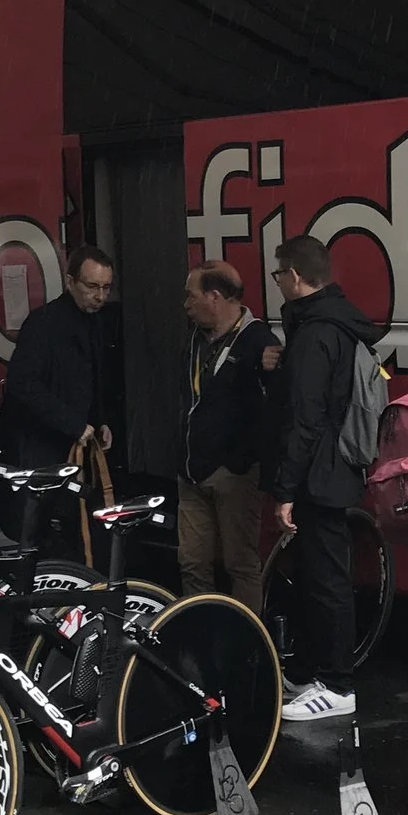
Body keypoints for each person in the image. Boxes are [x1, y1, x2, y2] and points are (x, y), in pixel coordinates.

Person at [266, 234, 386, 723]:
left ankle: (336, 684)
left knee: (328, 579)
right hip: (339, 466)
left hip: (320, 472)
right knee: (325, 575)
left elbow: (306, 417)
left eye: (278, 275)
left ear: (295, 276)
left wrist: (284, 488)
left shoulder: (315, 332)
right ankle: (324, 673)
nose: (276, 283)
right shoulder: (338, 322)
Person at [177, 261, 274, 613]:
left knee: (240, 563)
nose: (186, 304)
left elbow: (270, 412)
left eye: (191, 296)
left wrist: (241, 461)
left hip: (233, 473)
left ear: (214, 297)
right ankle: (200, 639)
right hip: (190, 469)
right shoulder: (193, 337)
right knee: (192, 562)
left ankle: (248, 646)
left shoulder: (260, 342)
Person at [0, 246, 120, 469]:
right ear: (70, 282)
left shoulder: (95, 321)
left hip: (72, 439)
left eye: (106, 287)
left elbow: (92, 380)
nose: (100, 296)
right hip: (37, 447)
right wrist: (74, 424)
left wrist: (99, 420)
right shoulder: (43, 323)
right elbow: (22, 383)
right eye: (92, 286)